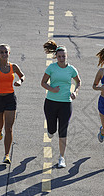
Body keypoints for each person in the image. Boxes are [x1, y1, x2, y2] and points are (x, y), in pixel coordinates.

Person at [41, 40, 81, 168]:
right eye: (59, 56)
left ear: (67, 56)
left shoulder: (71, 69)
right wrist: (52, 89)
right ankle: (50, 130)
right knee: (52, 129)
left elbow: (78, 82)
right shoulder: (51, 68)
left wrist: (75, 92)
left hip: (65, 103)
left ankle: (61, 158)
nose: (62, 58)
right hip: (51, 102)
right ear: (56, 57)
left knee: (63, 131)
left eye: (64, 56)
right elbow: (43, 82)